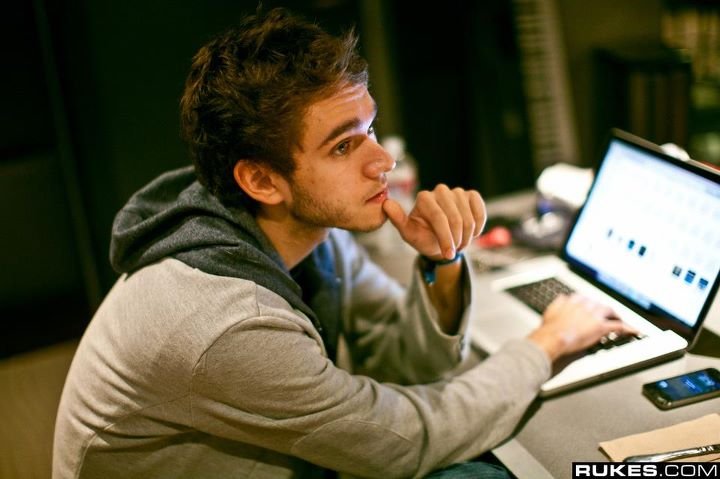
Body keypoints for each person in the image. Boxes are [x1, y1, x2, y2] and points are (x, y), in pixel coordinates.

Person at [52, 8, 634, 479]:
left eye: (370, 128)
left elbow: (403, 364)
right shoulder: (227, 323)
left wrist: (442, 262)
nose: (383, 162)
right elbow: (404, 441)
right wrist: (547, 344)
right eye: (342, 146)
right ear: (261, 181)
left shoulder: (307, 234)